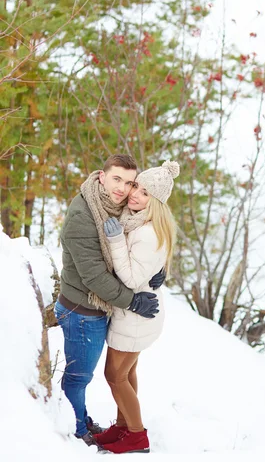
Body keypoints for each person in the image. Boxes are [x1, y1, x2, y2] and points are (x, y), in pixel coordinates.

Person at [54, 154, 166, 446]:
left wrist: (158, 268)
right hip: (83, 310)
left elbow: (142, 245)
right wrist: (132, 301)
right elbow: (94, 277)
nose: (124, 189)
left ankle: (126, 428)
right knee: (81, 377)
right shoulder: (84, 215)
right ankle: (78, 429)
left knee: (123, 373)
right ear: (101, 176)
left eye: (130, 183)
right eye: (117, 179)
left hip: (104, 308)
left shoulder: (118, 209)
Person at [94, 160, 179, 454]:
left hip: (135, 316)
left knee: (114, 376)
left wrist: (116, 239)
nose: (135, 195)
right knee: (128, 375)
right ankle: (123, 425)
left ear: (155, 202)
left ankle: (136, 436)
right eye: (136, 187)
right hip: (137, 316)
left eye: (144, 193)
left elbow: (130, 277)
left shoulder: (146, 231)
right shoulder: (139, 221)